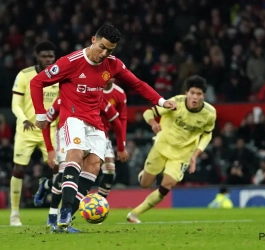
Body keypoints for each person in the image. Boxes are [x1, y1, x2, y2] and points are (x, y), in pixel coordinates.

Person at [30, 23, 176, 230]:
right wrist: (41, 114)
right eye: (102, 47)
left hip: (95, 122)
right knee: (76, 155)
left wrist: (161, 101)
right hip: (72, 118)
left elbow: (137, 84)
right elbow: (37, 82)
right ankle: (64, 210)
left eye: (110, 50)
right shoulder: (70, 62)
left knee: (94, 166)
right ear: (93, 40)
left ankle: (66, 219)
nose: (104, 53)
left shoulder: (113, 64)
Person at [127, 75, 216, 223]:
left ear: (203, 96)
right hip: (161, 146)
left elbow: (207, 135)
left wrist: (195, 155)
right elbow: (148, 112)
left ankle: (134, 213)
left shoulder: (209, 114)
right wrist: (153, 123)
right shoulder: (175, 102)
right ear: (186, 93)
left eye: (198, 94)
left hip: (182, 155)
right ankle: (145, 174)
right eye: (192, 93)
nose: (195, 97)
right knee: (145, 184)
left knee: (167, 185)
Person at [35, 96, 126, 232]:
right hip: (66, 134)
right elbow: (47, 121)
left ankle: (60, 209)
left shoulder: (98, 98)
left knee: (84, 175)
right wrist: (49, 149)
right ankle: (52, 217)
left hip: (93, 136)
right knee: (64, 172)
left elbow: (116, 120)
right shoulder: (63, 99)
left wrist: (121, 146)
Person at [10, 41, 58, 226]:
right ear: (36, 56)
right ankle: (14, 214)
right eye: (44, 56)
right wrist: (24, 119)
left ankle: (54, 212)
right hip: (27, 130)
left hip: (51, 130)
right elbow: (15, 104)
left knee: (58, 171)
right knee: (19, 169)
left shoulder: (59, 76)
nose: (48, 59)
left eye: (51, 56)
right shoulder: (24, 75)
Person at [98, 78, 127, 198]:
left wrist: (122, 146)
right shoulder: (92, 88)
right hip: (83, 135)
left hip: (103, 136)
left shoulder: (119, 94)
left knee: (109, 172)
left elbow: (122, 119)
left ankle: (98, 204)